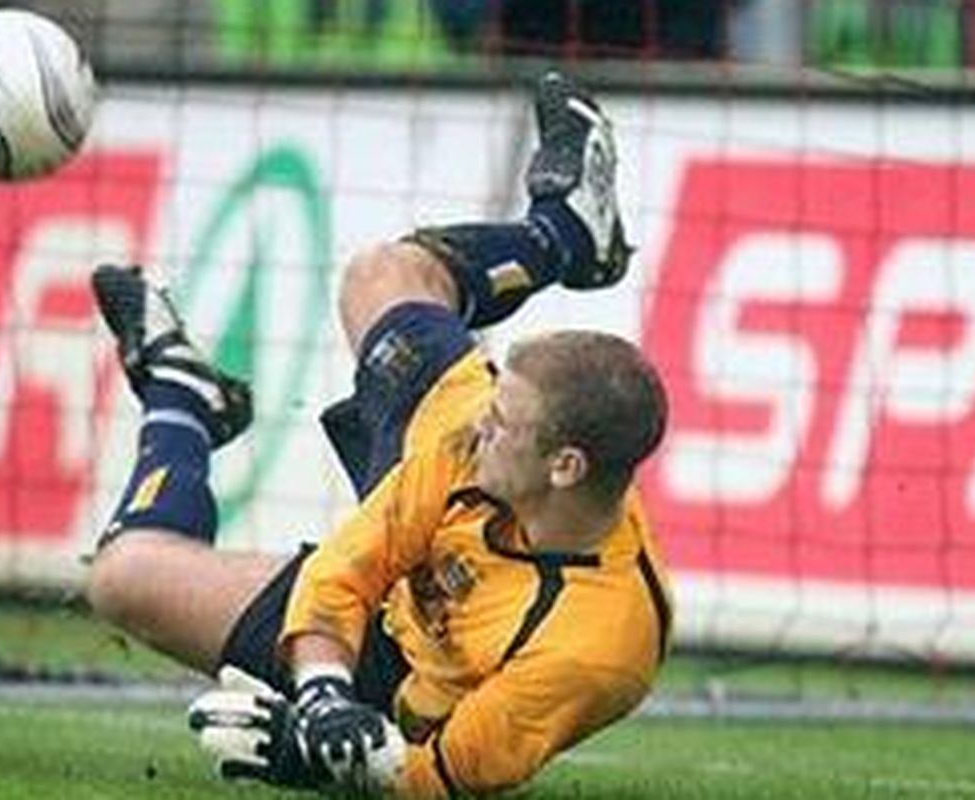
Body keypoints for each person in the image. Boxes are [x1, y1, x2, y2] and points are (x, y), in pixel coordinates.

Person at [86, 69, 672, 797]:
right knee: (383, 274)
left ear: (565, 466)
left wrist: (329, 754)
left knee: (122, 578)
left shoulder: (593, 648)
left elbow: (445, 775)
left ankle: (179, 394)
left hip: (397, 676)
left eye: (502, 418)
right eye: (493, 399)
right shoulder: (469, 435)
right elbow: (348, 569)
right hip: (406, 534)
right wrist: (319, 692)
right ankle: (566, 233)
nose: (482, 420)